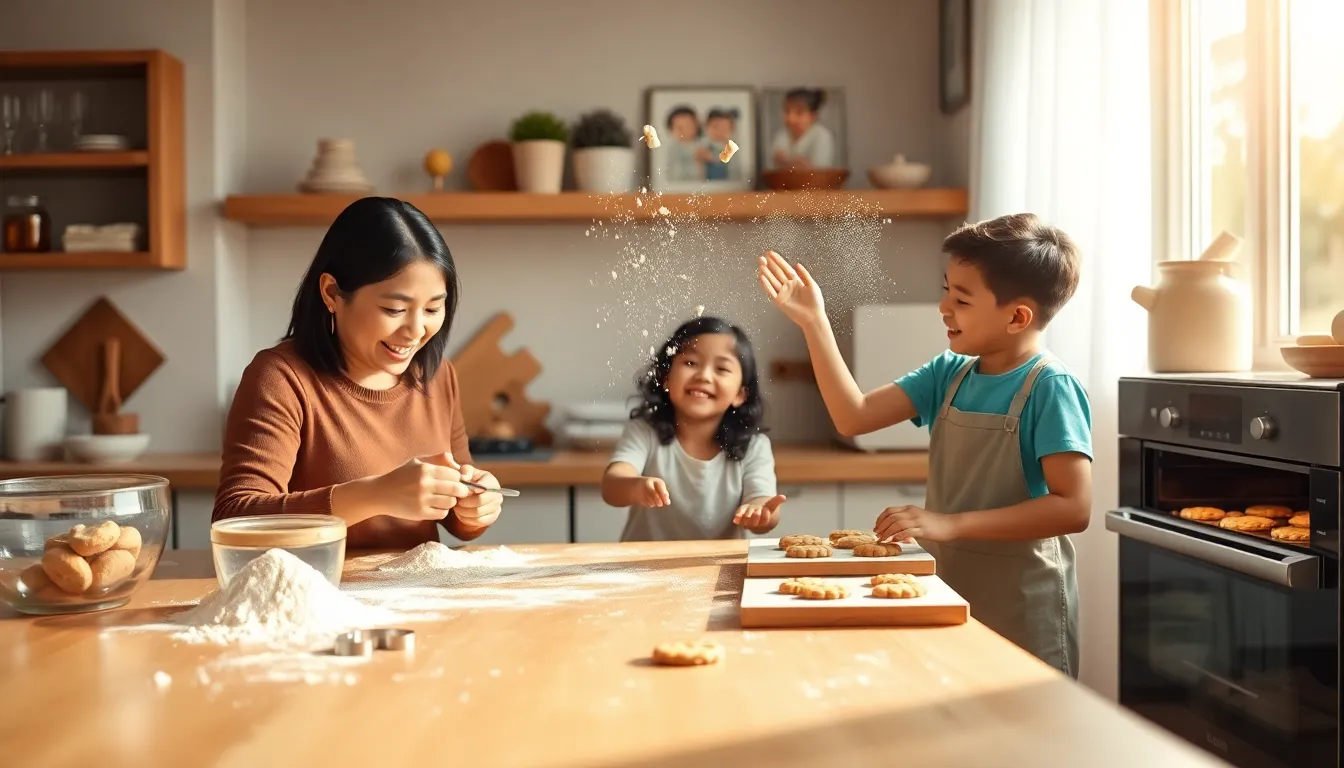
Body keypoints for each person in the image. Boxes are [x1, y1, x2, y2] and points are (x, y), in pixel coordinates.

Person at [757, 213, 1092, 678]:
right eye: (946, 290)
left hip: (1025, 606)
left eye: (962, 298)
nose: (943, 307)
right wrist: (814, 322)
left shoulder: (1051, 387)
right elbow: (852, 416)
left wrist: (947, 524)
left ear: (1017, 317)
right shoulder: (949, 372)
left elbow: (1073, 508)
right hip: (951, 590)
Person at [212, 197, 504, 550]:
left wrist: (473, 505)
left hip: (418, 596)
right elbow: (235, 518)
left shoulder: (438, 375)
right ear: (332, 293)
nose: (416, 330)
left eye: (432, 308)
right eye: (394, 309)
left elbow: (455, 517)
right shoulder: (281, 377)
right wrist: (376, 494)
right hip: (317, 596)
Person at [601, 316, 785, 541]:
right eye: (690, 363)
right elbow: (612, 486)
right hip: (644, 569)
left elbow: (764, 504)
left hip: (720, 570)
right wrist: (635, 487)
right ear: (666, 377)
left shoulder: (754, 446)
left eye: (721, 368)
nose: (704, 376)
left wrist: (760, 511)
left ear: (740, 394)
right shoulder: (644, 431)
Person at [769, 88, 836, 170]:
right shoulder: (782, 134)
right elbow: (776, 165)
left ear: (813, 116)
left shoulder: (821, 135)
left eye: (799, 113)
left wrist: (790, 163)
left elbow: (818, 170)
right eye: (787, 111)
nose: (791, 118)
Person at [697, 107, 743, 182]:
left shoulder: (732, 146)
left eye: (725, 128)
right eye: (715, 127)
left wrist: (712, 158)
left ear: (732, 129)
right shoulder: (704, 144)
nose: (720, 131)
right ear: (706, 127)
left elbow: (726, 159)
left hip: (729, 184)